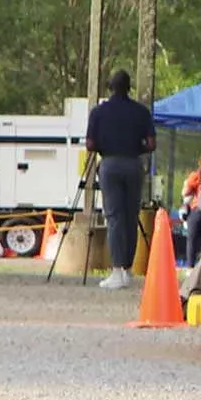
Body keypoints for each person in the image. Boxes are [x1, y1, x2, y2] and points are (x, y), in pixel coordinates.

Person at [85, 69, 155, 290]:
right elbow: (151, 144)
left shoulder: (98, 112)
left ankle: (116, 270)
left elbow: (90, 144)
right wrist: (137, 146)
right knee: (130, 216)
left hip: (110, 164)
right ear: (129, 87)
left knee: (114, 216)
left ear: (110, 87)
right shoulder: (141, 112)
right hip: (134, 164)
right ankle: (127, 269)